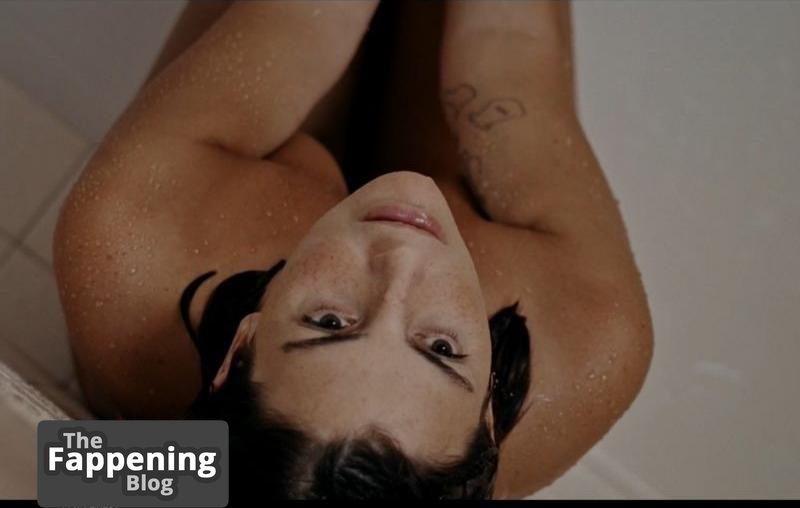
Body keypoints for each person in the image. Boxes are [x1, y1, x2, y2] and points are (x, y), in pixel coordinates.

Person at [53, 0, 653, 499]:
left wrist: (111, 468)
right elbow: (511, 50)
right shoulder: (587, 336)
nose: (403, 260)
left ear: (240, 345)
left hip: (182, 438)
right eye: (441, 349)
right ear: (489, 419)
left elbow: (70, 467)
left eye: (329, 322)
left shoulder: (133, 245)